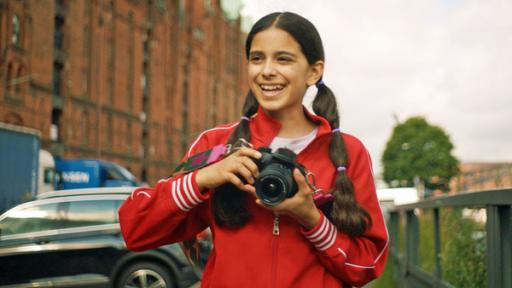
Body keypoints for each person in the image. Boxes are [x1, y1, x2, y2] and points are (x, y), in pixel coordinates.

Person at [119, 11, 388, 287]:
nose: (267, 70)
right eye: (257, 58)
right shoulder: (216, 144)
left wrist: (312, 218)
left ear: (314, 71)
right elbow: (135, 229)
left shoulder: (348, 152)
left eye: (283, 59)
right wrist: (204, 178)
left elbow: (368, 264)